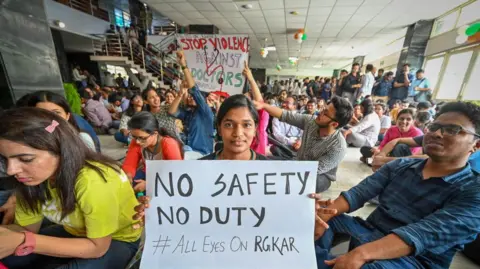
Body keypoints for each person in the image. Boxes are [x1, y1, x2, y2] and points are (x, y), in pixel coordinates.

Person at [313, 101, 480, 269]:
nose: (437, 133)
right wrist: (324, 214)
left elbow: (421, 235)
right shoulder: (400, 166)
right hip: (366, 232)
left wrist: (361, 254)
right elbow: (358, 194)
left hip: (413, 259)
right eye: (434, 126)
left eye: (452, 130)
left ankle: (328, 258)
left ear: (476, 145)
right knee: (320, 223)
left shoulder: (474, 191)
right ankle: (333, 256)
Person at [0, 108, 141, 269]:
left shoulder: (93, 181)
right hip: (75, 231)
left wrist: (27, 240)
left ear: (59, 150)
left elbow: (98, 247)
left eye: (26, 159)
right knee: (11, 256)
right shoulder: (31, 181)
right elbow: (27, 229)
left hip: (118, 239)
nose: (11, 170)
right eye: (5, 159)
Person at [256, 96, 353, 193]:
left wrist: (284, 169)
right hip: (298, 162)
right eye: (323, 109)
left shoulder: (338, 147)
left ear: (334, 124)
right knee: (265, 161)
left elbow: (313, 170)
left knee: (310, 182)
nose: (320, 112)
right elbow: (285, 115)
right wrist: (264, 106)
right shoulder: (311, 121)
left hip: (319, 175)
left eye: (325, 113)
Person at [122, 112, 184, 193]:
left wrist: (149, 184)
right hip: (148, 172)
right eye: (134, 137)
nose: (137, 141)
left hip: (167, 175)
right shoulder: (136, 142)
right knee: (125, 184)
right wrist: (128, 176)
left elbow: (176, 173)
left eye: (142, 138)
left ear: (155, 134)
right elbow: (129, 164)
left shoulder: (169, 144)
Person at [169, 51, 214, 156]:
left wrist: (184, 66)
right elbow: (172, 111)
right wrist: (180, 93)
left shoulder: (205, 112)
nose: (190, 96)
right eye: (189, 95)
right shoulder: (189, 113)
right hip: (189, 156)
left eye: (193, 96)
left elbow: (194, 90)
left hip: (203, 155)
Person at [23, 91, 97, 151]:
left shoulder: (82, 138)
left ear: (67, 116)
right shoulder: (24, 140)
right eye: (42, 113)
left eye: (56, 113)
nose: (50, 118)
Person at [202, 94, 267, 160]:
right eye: (229, 125)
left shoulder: (269, 168)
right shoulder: (199, 167)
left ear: (255, 130)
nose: (238, 133)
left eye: (247, 125)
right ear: (219, 129)